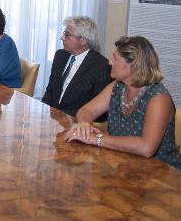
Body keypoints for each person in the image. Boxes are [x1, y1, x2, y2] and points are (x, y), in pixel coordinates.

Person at [64, 36, 181, 170]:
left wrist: (95, 138)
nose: (109, 62)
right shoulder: (117, 87)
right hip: (123, 164)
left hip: (163, 175)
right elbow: (86, 111)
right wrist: (85, 125)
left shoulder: (159, 98)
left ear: (133, 64)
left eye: (115, 58)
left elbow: (146, 147)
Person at [42, 16, 111, 118]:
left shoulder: (101, 66)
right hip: (51, 118)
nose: (62, 37)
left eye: (67, 35)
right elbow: (50, 90)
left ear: (83, 40)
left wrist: (62, 117)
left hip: (76, 123)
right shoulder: (60, 55)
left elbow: (99, 111)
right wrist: (42, 111)